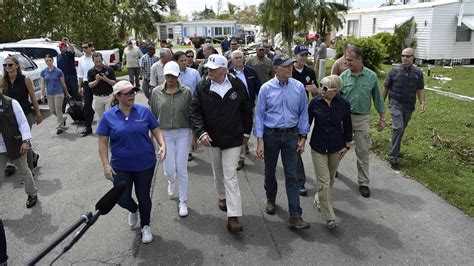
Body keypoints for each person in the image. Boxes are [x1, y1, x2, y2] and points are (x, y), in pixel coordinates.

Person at [97, 80, 166, 244]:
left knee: (144, 197)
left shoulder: (144, 111)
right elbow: (102, 142)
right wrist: (106, 164)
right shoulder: (108, 116)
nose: (132, 96)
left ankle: (145, 226)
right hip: (120, 166)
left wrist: (163, 144)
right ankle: (133, 209)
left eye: (133, 92)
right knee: (121, 198)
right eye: (127, 93)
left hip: (145, 164)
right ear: (118, 96)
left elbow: (156, 129)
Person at [190, 54, 252, 232]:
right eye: (208, 68)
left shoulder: (237, 85)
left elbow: (246, 110)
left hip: (233, 138)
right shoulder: (202, 85)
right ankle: (222, 196)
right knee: (217, 171)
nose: (209, 71)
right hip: (211, 139)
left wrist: (246, 132)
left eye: (213, 69)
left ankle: (233, 216)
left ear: (224, 70)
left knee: (230, 174)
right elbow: (195, 110)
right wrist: (200, 132)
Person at [254, 53, 311, 229]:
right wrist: (260, 141)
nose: (290, 68)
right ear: (276, 69)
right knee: (270, 171)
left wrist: (302, 138)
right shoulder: (266, 88)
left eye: (290, 66)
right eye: (286, 66)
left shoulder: (299, 87)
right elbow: (260, 115)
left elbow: (303, 113)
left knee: (292, 175)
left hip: (291, 135)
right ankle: (271, 199)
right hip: (271, 135)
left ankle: (295, 215)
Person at [150, 61, 194, 217]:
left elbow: (192, 115)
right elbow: (153, 115)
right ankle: (171, 180)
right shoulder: (156, 92)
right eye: (167, 75)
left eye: (173, 75)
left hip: (183, 132)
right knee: (169, 169)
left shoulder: (187, 92)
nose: (170, 78)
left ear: (178, 75)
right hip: (164, 135)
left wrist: (194, 137)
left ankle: (183, 201)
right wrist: (151, 137)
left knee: (182, 169)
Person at [340, 46, 385, 198]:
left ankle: (363, 182)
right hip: (344, 119)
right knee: (337, 148)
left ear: (359, 60)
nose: (346, 62)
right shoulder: (343, 77)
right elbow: (335, 99)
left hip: (362, 119)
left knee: (363, 150)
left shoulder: (371, 77)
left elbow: (378, 98)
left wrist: (382, 118)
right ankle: (333, 171)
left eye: (350, 60)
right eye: (346, 59)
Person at [308, 75, 352, 230]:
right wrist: (300, 139)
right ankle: (329, 217)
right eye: (321, 85)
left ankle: (318, 198)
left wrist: (347, 145)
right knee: (324, 182)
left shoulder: (344, 104)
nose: (321, 90)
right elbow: (306, 123)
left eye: (325, 88)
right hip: (318, 147)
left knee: (331, 179)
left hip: (336, 147)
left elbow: (347, 125)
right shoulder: (315, 103)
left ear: (335, 91)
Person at [383, 48, 426, 170]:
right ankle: (393, 157)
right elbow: (386, 87)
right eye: (403, 56)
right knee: (398, 127)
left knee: (401, 130)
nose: (405, 58)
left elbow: (420, 89)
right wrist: (381, 103)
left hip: (409, 106)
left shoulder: (418, 73)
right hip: (395, 104)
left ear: (413, 58)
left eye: (407, 56)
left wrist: (422, 102)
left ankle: (395, 149)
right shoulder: (394, 71)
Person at [1, 56, 42, 174]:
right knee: (15, 141)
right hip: (9, 118)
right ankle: (33, 156)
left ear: (17, 66)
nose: (7, 67)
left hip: (25, 115)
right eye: (5, 65)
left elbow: (33, 97)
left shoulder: (25, 79)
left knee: (24, 141)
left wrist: (38, 113)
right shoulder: (3, 81)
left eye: (10, 65)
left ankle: (30, 171)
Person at [0, 90, 38, 208]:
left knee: (24, 171)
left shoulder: (11, 103)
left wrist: (26, 141)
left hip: (14, 144)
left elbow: (23, 122)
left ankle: (32, 194)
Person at [292, 44, 318, 196]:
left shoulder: (310, 72)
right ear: (295, 56)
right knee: (295, 147)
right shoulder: (289, 70)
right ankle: (299, 180)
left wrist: (316, 92)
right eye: (301, 55)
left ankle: (298, 179)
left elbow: (316, 95)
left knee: (298, 146)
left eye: (306, 55)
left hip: (304, 114)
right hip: (288, 113)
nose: (304, 58)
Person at [228, 50, 261, 170]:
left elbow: (259, 89)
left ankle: (244, 145)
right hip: (234, 108)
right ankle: (240, 158)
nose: (238, 59)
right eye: (235, 58)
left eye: (240, 57)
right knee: (238, 131)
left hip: (249, 106)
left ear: (243, 59)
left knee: (246, 129)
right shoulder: (228, 74)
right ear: (231, 60)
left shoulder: (251, 72)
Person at [40, 54, 72, 135]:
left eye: (50, 60)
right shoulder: (43, 72)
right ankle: (62, 118)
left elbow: (63, 83)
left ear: (52, 61)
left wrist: (67, 93)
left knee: (58, 110)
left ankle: (60, 126)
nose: (48, 62)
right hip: (49, 94)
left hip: (58, 93)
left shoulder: (58, 71)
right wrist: (42, 94)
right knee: (52, 110)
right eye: (46, 61)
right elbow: (42, 84)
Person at [87, 52, 116, 122]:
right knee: (101, 118)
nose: (98, 64)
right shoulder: (90, 71)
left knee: (110, 116)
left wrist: (105, 79)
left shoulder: (109, 69)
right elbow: (90, 85)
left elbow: (114, 83)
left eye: (100, 61)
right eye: (96, 62)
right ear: (93, 61)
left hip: (109, 96)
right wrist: (97, 80)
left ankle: (112, 132)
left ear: (102, 59)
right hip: (97, 98)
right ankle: (104, 132)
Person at [57, 38, 81, 112]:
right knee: (64, 93)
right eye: (59, 47)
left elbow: (72, 50)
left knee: (75, 91)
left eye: (61, 47)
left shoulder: (69, 54)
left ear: (65, 47)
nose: (60, 48)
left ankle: (80, 106)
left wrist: (68, 43)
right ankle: (62, 110)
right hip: (63, 78)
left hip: (71, 76)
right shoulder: (58, 56)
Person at [78, 41, 96, 136]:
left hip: (97, 83)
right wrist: (80, 86)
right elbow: (80, 74)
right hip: (86, 84)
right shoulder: (81, 60)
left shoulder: (96, 57)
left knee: (98, 105)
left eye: (85, 47)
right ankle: (88, 127)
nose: (84, 49)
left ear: (90, 47)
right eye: (82, 48)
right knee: (87, 106)